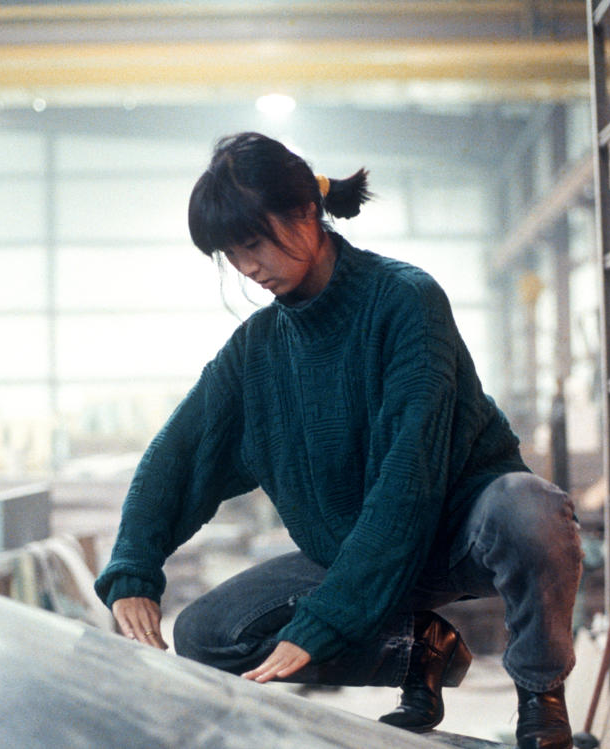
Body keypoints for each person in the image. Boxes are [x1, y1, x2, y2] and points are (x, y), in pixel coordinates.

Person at [94, 132, 582, 749]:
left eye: (251, 243)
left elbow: (409, 477)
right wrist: (134, 566)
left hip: (457, 532)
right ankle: (416, 653)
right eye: (230, 254)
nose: (246, 267)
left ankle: (541, 700)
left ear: (303, 211)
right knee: (207, 635)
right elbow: (177, 454)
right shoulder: (257, 351)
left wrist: (326, 623)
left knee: (530, 507)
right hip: (350, 550)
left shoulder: (405, 300)